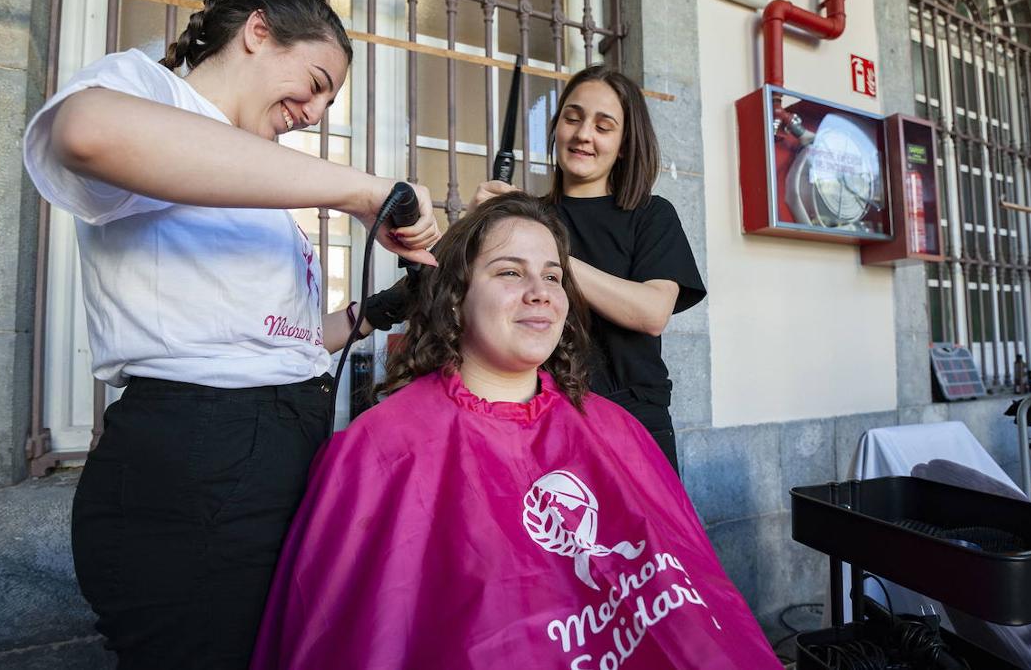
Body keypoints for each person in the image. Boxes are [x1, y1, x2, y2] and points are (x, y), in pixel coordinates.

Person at [21, 0, 439, 668]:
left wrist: (374, 314)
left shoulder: (245, 174)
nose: (314, 110)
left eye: (327, 101)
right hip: (198, 464)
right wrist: (362, 190)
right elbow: (85, 132)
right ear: (257, 31)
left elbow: (276, 339)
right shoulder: (148, 89)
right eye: (314, 82)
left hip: (269, 454)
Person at [250, 193, 781, 670]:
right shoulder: (381, 449)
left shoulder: (616, 429)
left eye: (553, 276)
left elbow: (704, 615)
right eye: (509, 272)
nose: (539, 293)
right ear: (456, 296)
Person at [472, 66, 705, 473]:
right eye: (573, 118)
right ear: (557, 127)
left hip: (634, 421)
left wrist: (547, 247)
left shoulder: (651, 215)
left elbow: (652, 313)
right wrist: (480, 232)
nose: (583, 134)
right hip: (540, 416)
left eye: (604, 125)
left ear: (625, 144)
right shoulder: (529, 216)